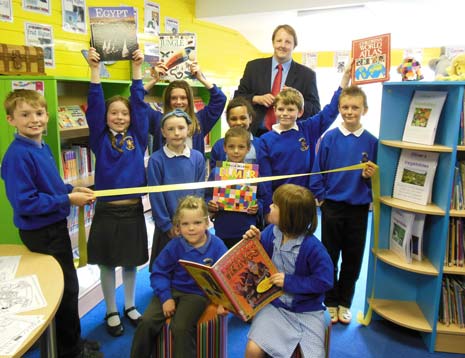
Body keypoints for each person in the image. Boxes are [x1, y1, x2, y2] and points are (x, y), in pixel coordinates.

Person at [1, 89, 102, 358]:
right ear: (11, 120)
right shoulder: (18, 156)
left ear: (47, 115)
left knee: (68, 288)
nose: (34, 119)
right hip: (42, 232)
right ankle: (70, 351)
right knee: (64, 291)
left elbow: (51, 186)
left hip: (54, 227)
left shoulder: (41, 146)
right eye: (24, 115)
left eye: (39, 113)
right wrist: (68, 198)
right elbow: (26, 203)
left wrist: (69, 189)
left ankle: (72, 341)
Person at [85, 47, 149, 337]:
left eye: (124, 114)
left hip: (133, 209)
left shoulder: (138, 135)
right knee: (107, 263)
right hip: (107, 211)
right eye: (114, 113)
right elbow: (95, 105)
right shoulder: (99, 139)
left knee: (132, 262)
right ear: (107, 117)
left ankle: (130, 305)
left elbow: (139, 104)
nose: (120, 117)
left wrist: (137, 70)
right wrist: (94, 72)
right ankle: (111, 309)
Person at [309, 85, 377, 325]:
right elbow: (318, 170)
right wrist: (323, 198)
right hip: (332, 207)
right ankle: (330, 300)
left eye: (355, 107)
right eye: (345, 107)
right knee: (329, 255)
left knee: (353, 256)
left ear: (364, 110)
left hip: (358, 209)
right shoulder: (329, 138)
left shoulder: (372, 142)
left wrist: (371, 178)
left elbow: (379, 175)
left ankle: (345, 301)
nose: (350, 111)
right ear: (339, 109)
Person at [242, 184, 333, 358]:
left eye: (275, 205)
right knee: (253, 350)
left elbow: (325, 281)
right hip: (274, 306)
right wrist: (255, 242)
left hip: (307, 310)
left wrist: (289, 281)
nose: (270, 206)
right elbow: (261, 262)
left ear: (289, 216)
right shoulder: (271, 232)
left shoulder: (313, 248)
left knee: (314, 355)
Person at [130, 195, 228, 358]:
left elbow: (225, 275)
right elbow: (159, 272)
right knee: (146, 322)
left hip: (197, 295)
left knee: (181, 327)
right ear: (178, 227)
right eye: (185, 224)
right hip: (172, 288)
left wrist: (223, 302)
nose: (191, 228)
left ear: (206, 222)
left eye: (197, 223)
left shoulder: (217, 246)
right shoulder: (174, 246)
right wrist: (165, 297)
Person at [259, 62, 352, 219]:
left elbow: (330, 111)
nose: (285, 113)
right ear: (274, 110)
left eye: (290, 109)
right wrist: (268, 210)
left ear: (300, 112)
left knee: (302, 240)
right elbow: (265, 181)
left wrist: (345, 78)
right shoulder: (264, 141)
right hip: (279, 204)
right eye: (281, 109)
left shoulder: (308, 129)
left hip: (304, 201)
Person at [235, 24, 321, 137]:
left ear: (294, 45)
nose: (282, 45)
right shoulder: (253, 67)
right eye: (279, 41)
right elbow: (238, 97)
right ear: (273, 43)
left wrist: (297, 97)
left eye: (288, 42)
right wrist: (256, 99)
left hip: (290, 137)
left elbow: (316, 110)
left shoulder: (307, 75)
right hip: (256, 135)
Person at [147, 109, 206, 270]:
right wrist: (167, 225)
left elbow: (199, 190)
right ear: (163, 132)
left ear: (189, 129)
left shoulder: (198, 158)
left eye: (181, 128)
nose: (176, 133)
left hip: (192, 222)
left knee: (192, 264)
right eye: (170, 129)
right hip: (168, 226)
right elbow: (156, 194)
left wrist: (196, 218)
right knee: (166, 265)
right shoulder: (156, 160)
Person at [144, 61, 227, 155]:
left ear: (189, 100)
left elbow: (220, 99)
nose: (179, 102)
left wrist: (201, 78)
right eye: (174, 98)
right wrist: (154, 80)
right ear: (167, 101)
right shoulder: (158, 120)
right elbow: (136, 102)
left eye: (183, 98)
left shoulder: (199, 121)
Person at [206, 127, 264, 249]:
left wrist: (257, 207)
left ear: (248, 149)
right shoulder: (217, 173)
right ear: (225, 148)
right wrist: (209, 204)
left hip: (247, 229)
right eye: (231, 147)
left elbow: (263, 198)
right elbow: (206, 196)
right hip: (223, 229)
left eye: (241, 147)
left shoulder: (254, 175)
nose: (236, 151)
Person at [208, 96, 262, 173]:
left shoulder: (260, 145)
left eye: (243, 118)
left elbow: (265, 175)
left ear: (250, 119)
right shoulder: (219, 146)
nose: (238, 122)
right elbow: (213, 175)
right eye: (233, 119)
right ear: (227, 121)